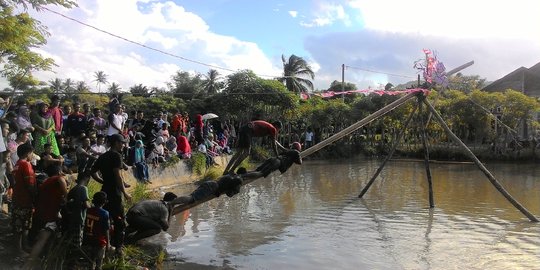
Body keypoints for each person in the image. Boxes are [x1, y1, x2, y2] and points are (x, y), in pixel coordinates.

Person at [90, 133, 131, 256]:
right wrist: (125, 192)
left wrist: (103, 181)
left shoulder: (103, 156)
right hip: (115, 193)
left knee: (106, 219)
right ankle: (118, 248)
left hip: (105, 191)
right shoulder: (116, 156)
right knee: (119, 221)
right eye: (122, 143)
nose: (123, 145)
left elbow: (92, 172)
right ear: (116, 143)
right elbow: (117, 175)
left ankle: (105, 244)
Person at [25, 165, 67, 268]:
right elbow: (66, 195)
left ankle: (34, 263)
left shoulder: (47, 181)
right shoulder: (59, 179)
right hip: (49, 215)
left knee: (41, 239)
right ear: (59, 172)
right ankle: (27, 265)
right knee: (42, 240)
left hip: (40, 213)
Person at [11, 143, 36, 255]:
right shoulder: (26, 164)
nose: (32, 156)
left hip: (17, 199)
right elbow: (30, 185)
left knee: (20, 224)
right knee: (22, 225)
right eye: (32, 153)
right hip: (25, 200)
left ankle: (22, 246)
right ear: (27, 153)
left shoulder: (17, 164)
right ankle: (19, 248)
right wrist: (35, 196)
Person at [83, 191, 110, 270]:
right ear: (104, 202)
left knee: (90, 262)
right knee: (99, 264)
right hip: (99, 242)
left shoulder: (88, 210)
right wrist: (108, 243)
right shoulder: (105, 213)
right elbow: (106, 230)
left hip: (88, 239)